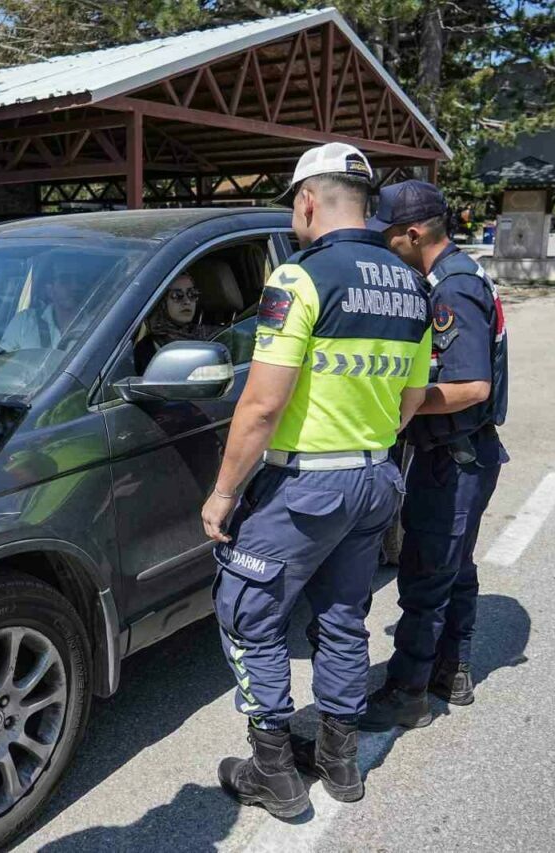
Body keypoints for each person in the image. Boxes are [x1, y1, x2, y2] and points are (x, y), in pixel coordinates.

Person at [200, 143, 432, 814]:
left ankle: (273, 770)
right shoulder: (411, 282)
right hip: (374, 478)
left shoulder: (299, 279)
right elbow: (412, 400)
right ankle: (340, 758)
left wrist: (223, 492)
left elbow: (263, 403)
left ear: (307, 200)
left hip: (304, 488)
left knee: (247, 612)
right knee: (340, 615)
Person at [359, 180, 509, 731]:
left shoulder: (450, 289)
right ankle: (454, 667)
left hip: (455, 455)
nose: (384, 244)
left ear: (414, 232)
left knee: (425, 572)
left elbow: (471, 386)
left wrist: (395, 402)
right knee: (453, 565)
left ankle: (409, 691)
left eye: (390, 234)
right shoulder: (458, 274)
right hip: (466, 453)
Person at [0, 250, 91, 351]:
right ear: (49, 289)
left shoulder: (98, 328)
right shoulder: (24, 323)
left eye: (80, 280)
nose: (75, 287)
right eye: (65, 280)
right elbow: (0, 362)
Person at [133, 272, 225, 371]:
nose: (187, 301)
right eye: (177, 295)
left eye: (192, 294)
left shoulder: (218, 337)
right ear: (161, 302)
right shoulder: (146, 348)